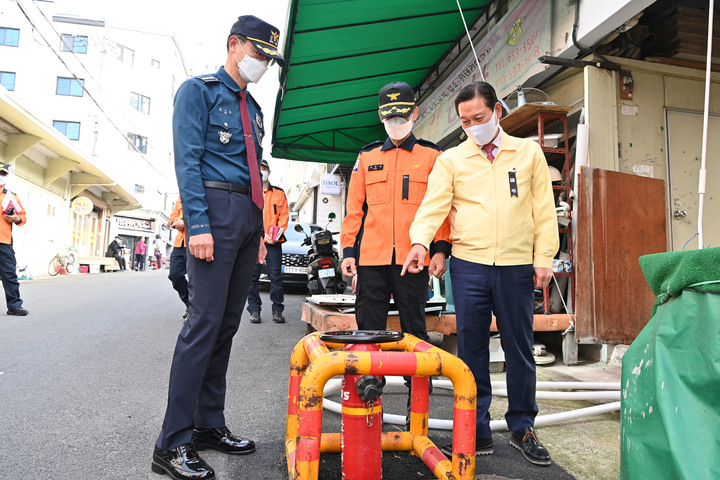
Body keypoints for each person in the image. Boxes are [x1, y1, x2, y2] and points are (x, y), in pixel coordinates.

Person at [152, 15, 285, 480]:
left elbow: (257, 173)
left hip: (248, 219)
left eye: (269, 58)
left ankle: (208, 424)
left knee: (226, 326)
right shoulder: (199, 90)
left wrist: (263, 231)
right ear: (234, 45)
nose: (263, 64)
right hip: (214, 210)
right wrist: (198, 224)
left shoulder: (253, 108)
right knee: (202, 324)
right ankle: (172, 443)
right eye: (259, 54)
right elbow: (187, 161)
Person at [402, 81, 559, 466]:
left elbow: (543, 208)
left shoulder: (528, 153)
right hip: (469, 267)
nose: (473, 126)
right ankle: (476, 426)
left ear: (498, 112)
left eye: (480, 117)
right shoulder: (452, 160)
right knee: (471, 350)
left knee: (519, 349)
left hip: (516, 265)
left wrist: (544, 258)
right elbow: (432, 207)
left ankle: (523, 426)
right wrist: (420, 242)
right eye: (465, 120)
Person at [340, 81, 451, 427]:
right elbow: (354, 210)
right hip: (371, 260)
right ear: (380, 117)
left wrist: (441, 250)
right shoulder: (367, 156)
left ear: (415, 113)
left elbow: (442, 209)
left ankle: (416, 408)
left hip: (412, 261)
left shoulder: (433, 157)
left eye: (402, 114)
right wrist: (347, 250)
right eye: (389, 116)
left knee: (414, 332)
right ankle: (368, 403)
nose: (396, 121)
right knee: (368, 330)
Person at [247, 159, 289, 324]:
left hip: (273, 242)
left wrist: (276, 235)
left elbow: (283, 217)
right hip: (254, 242)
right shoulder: (250, 192)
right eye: (259, 169)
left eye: (264, 169)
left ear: (269, 172)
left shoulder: (279, 193)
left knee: (276, 277)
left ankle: (277, 310)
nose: (262, 172)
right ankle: (254, 310)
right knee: (252, 278)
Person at [0, 162, 28, 316]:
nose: (0, 177)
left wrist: (16, 218)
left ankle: (14, 306)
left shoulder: (11, 197)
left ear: (7, 176)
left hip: (3, 241)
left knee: (9, 274)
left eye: (3, 174)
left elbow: (23, 217)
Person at [168, 197, 189, 318]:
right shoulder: (181, 198)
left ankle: (196, 310)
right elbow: (172, 218)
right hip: (179, 244)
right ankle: (190, 303)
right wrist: (174, 223)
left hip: (195, 242)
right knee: (174, 276)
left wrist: (184, 221)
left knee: (196, 280)